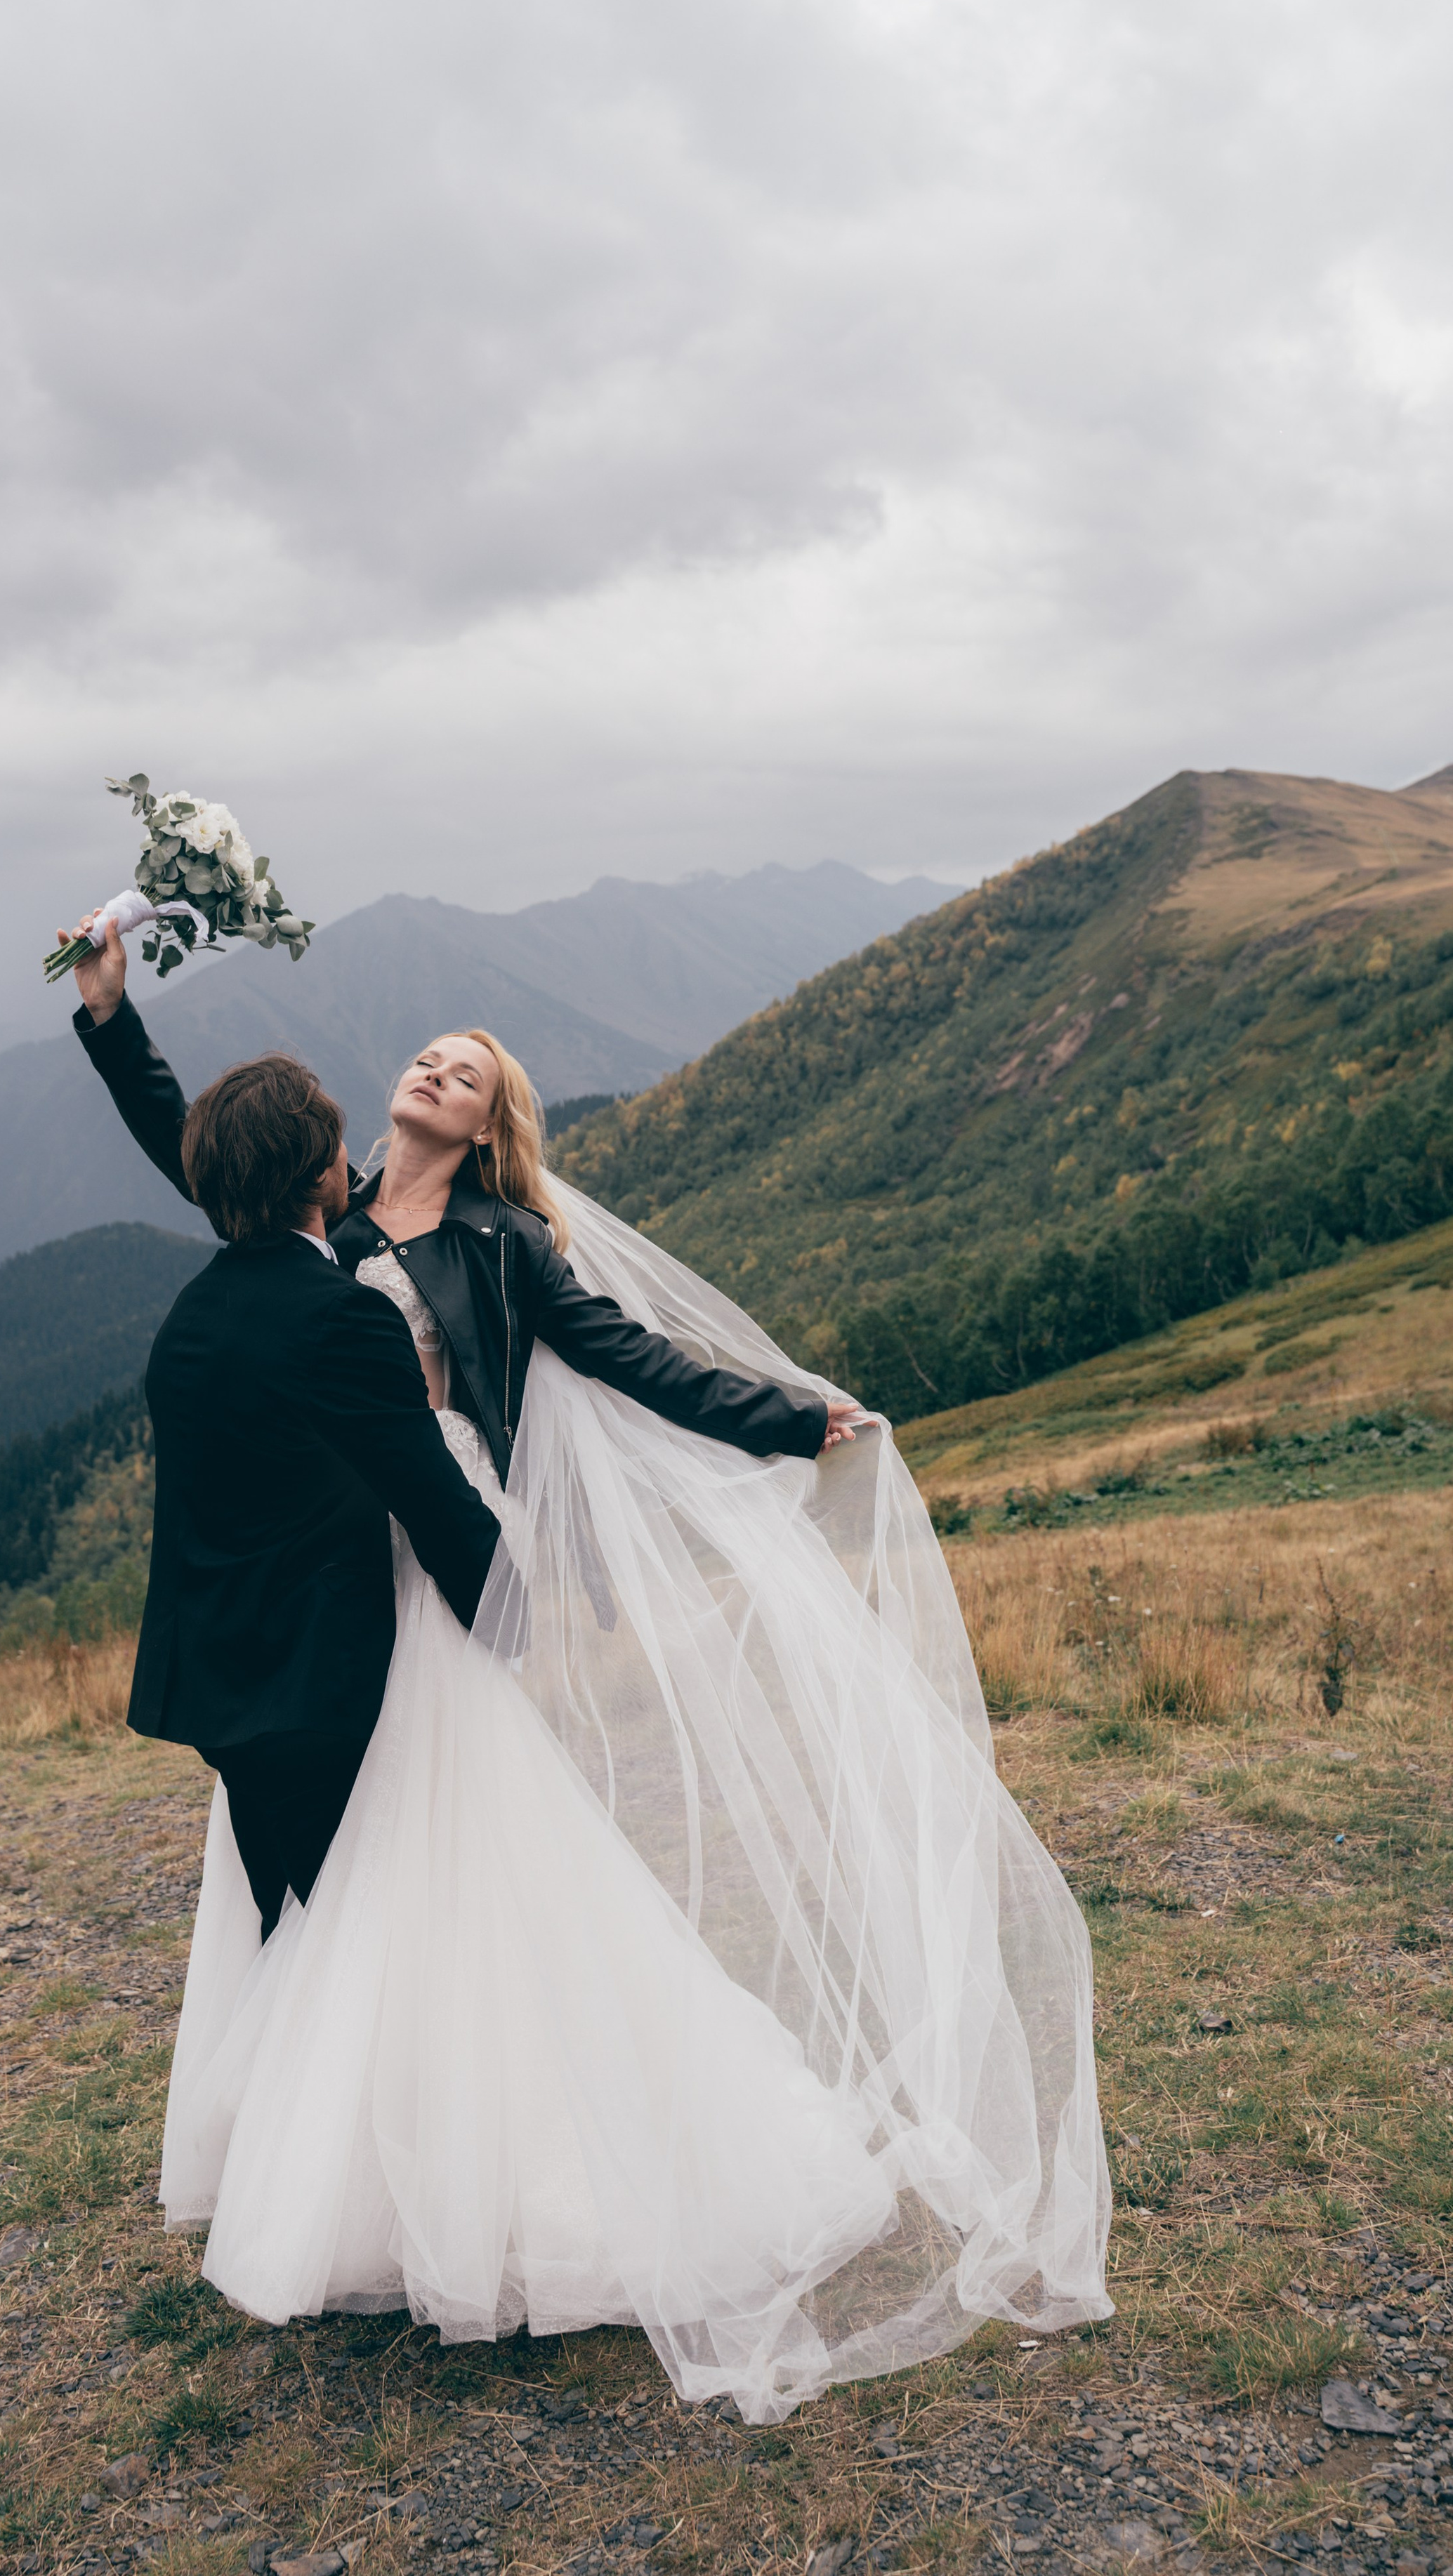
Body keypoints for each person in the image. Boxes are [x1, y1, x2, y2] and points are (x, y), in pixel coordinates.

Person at [61, 910, 1113, 2426]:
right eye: (429, 1054)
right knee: (353, 1886)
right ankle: (375, 2167)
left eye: (469, 1075)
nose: (436, 1070)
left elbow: (629, 1359)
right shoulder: (327, 1207)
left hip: (424, 1586)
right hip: (323, 1601)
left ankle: (466, 2174)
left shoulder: (503, 1250)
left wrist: (781, 1416)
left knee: (440, 1880)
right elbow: (200, 1150)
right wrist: (109, 1018)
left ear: (493, 1128)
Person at [95, 1030, 501, 1938]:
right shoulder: (341, 1320)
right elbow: (434, 1504)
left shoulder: (190, 1319)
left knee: (289, 1930)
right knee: (357, 1937)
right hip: (321, 1688)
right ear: (322, 1171)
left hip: (219, 1691)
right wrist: (517, 1626)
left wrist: (111, 1021)